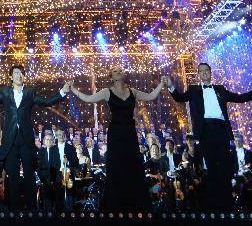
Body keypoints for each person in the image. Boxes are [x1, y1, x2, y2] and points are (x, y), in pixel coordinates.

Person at [0, 65, 70, 210]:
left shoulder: (29, 92)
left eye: (21, 73)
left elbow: (46, 102)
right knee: (13, 177)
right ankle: (14, 210)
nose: (19, 75)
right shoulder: (5, 92)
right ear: (11, 77)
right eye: (16, 73)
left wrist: (62, 92)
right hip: (11, 140)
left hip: (26, 140)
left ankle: (31, 209)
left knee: (29, 176)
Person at [71, 69, 164, 213]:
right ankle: (115, 204)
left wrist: (162, 83)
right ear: (111, 76)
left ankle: (137, 203)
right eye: (115, 71)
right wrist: (72, 89)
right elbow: (88, 99)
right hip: (115, 134)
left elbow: (151, 96)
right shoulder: (107, 92)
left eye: (120, 70)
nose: (119, 71)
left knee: (132, 165)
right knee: (116, 166)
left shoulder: (133, 91)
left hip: (130, 133)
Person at [164, 63, 252, 212]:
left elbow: (240, 98)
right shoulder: (193, 90)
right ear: (198, 74)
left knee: (224, 167)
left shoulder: (220, 89)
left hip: (221, 131)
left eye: (206, 70)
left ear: (210, 73)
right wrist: (171, 86)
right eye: (201, 71)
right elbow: (179, 98)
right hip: (205, 131)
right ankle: (213, 205)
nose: (204, 73)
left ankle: (227, 204)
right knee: (211, 167)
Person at [38, 129, 78, 212]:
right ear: (56, 137)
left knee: (69, 197)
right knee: (58, 196)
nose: (60, 136)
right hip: (57, 175)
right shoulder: (52, 149)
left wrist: (69, 162)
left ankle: (69, 214)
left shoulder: (70, 148)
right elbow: (51, 165)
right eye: (58, 135)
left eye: (62, 134)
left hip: (68, 173)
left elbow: (76, 162)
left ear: (65, 136)